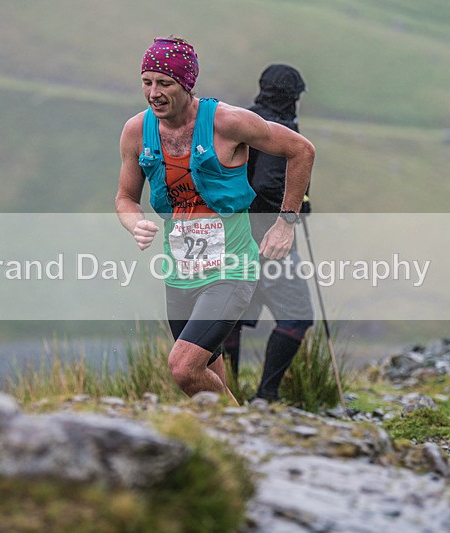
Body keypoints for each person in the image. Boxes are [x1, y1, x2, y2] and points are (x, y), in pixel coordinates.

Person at [115, 38, 315, 405]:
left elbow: (300, 150)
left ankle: (247, 430)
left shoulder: (228, 122)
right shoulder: (136, 131)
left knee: (183, 368)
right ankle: (242, 443)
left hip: (230, 270)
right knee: (209, 381)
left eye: (165, 83)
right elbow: (126, 198)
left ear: (186, 84)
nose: (154, 93)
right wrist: (134, 222)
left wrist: (286, 221)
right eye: (147, 82)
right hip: (178, 273)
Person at [223, 64, 315, 402]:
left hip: (232, 235)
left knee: (233, 316)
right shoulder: (280, 128)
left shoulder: (241, 122)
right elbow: (267, 182)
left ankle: (224, 395)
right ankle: (266, 395)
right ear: (291, 96)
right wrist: (292, 212)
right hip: (268, 238)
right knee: (297, 316)